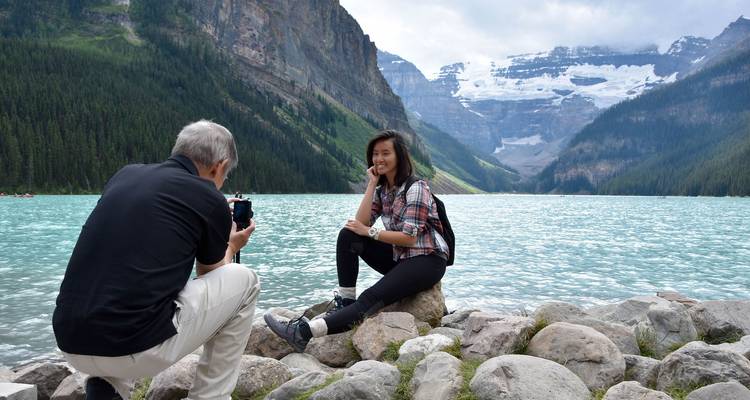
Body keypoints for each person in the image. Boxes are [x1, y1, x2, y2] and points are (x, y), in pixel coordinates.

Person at [52, 120, 259, 400]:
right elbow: (211, 273)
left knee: (127, 292)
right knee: (245, 281)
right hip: (135, 348)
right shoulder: (208, 196)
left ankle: (107, 390)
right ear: (219, 167)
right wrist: (232, 244)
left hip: (70, 338)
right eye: (226, 175)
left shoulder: (125, 175)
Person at [264, 130, 449, 351]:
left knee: (371, 296)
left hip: (427, 261)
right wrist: (371, 185)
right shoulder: (384, 191)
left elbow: (409, 238)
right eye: (375, 154)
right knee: (348, 235)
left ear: (399, 156)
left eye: (385, 153)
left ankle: (304, 332)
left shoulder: (416, 187)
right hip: (400, 257)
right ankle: (347, 303)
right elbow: (360, 225)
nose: (379, 159)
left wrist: (369, 232)